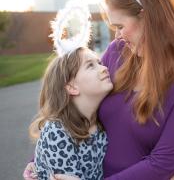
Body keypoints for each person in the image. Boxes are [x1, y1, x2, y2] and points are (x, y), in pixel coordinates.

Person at [24, 0, 174, 180]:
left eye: (119, 25)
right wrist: (43, 159)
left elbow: (164, 164)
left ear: (148, 18)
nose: (116, 35)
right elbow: (76, 106)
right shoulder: (120, 51)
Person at [25, 46, 113, 180]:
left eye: (99, 63)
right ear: (72, 87)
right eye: (90, 66)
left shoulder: (100, 124)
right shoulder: (57, 131)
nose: (104, 68)